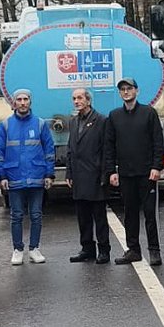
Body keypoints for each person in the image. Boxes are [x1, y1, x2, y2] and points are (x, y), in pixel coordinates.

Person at [103, 76, 164, 266]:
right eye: (122, 89)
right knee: (129, 213)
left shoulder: (149, 113)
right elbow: (109, 146)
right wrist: (111, 171)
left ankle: (154, 251)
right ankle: (133, 250)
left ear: (136, 91)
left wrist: (156, 167)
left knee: (149, 214)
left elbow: (157, 142)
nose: (126, 92)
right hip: (126, 174)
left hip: (147, 173)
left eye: (129, 88)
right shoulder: (114, 116)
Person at [0, 89, 55, 265]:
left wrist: (49, 174)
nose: (22, 102)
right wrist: (2, 176)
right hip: (14, 177)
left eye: (25, 99)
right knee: (16, 216)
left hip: (36, 177)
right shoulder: (5, 125)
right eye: (19, 99)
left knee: (36, 215)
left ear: (30, 101)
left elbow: (49, 150)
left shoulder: (40, 124)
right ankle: (17, 249)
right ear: (14, 103)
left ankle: (34, 248)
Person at [66, 87, 112, 264]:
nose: (76, 101)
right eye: (74, 98)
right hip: (78, 176)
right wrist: (69, 172)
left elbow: (106, 150)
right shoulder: (73, 121)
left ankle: (104, 250)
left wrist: (105, 174)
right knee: (82, 217)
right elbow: (71, 149)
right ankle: (87, 248)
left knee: (99, 217)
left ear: (88, 100)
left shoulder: (101, 120)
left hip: (95, 176)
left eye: (79, 98)